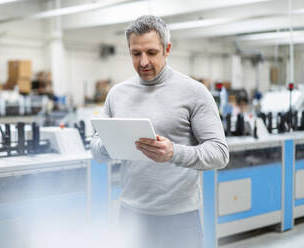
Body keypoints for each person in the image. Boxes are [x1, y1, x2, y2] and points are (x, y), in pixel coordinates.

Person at [90, 15, 229, 248]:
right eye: (136, 54)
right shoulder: (117, 94)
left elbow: (219, 153)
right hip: (131, 214)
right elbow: (96, 150)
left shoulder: (194, 92)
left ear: (167, 49)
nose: (143, 62)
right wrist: (111, 143)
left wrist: (173, 152)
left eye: (152, 53)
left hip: (179, 218)